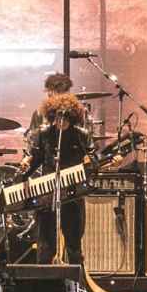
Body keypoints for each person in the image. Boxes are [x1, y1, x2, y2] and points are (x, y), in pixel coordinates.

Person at [21, 88, 92, 266]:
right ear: (52, 117)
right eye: (57, 118)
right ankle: (44, 287)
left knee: (74, 246)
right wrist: (24, 169)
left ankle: (77, 288)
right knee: (45, 246)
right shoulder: (44, 135)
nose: (61, 122)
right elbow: (34, 159)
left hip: (72, 195)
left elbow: (91, 160)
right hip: (47, 196)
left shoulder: (80, 136)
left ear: (72, 118)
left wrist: (96, 162)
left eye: (65, 118)